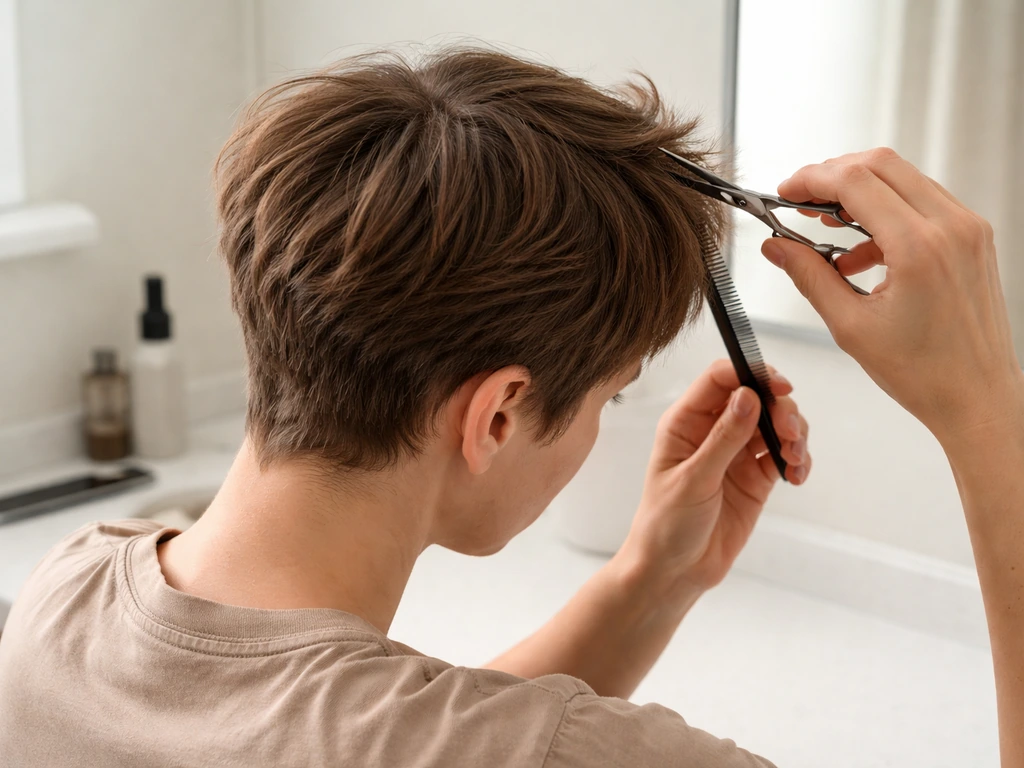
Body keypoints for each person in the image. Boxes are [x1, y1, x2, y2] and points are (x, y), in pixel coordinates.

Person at [0, 46, 1021, 767]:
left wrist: (644, 583)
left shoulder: (65, 594)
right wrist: (986, 416)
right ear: (496, 416)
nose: (596, 434)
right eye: (607, 398)